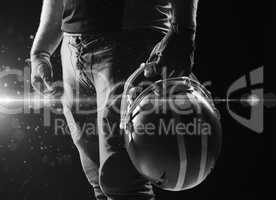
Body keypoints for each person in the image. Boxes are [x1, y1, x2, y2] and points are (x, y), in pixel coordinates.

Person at [30, 0, 199, 199]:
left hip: (130, 39)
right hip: (72, 47)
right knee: (101, 181)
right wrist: (40, 51)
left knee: (124, 183)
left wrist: (183, 31)